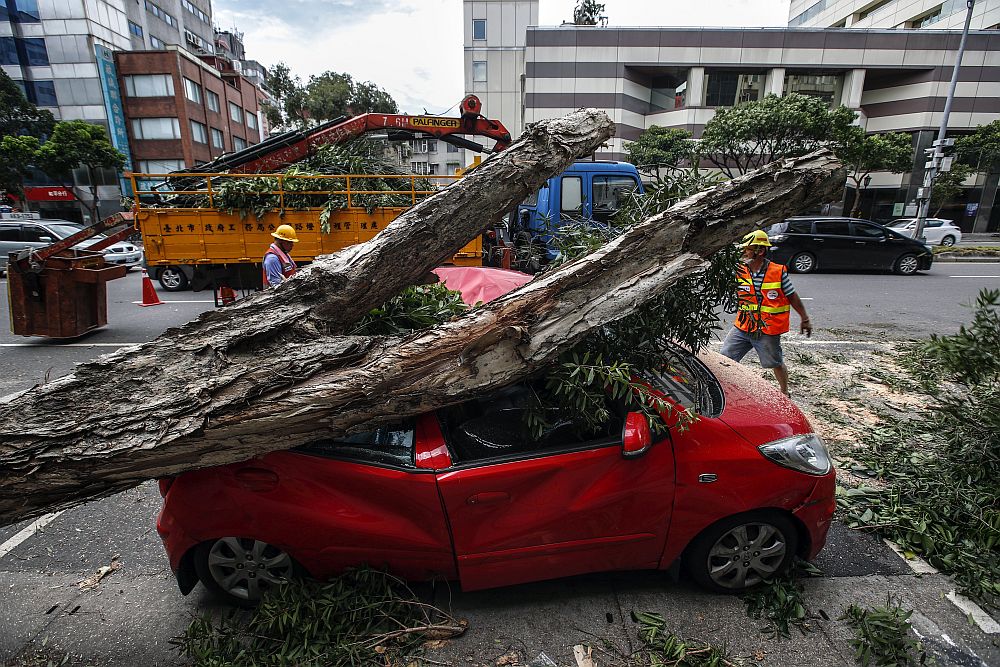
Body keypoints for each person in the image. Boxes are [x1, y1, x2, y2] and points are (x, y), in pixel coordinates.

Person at [720, 230, 812, 397]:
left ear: (760, 251)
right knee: (724, 359)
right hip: (743, 326)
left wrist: (804, 318)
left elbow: (792, 296)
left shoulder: (777, 272)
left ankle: (784, 392)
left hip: (767, 330)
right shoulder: (740, 270)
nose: (743, 253)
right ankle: (724, 391)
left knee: (775, 363)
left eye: (747, 249)